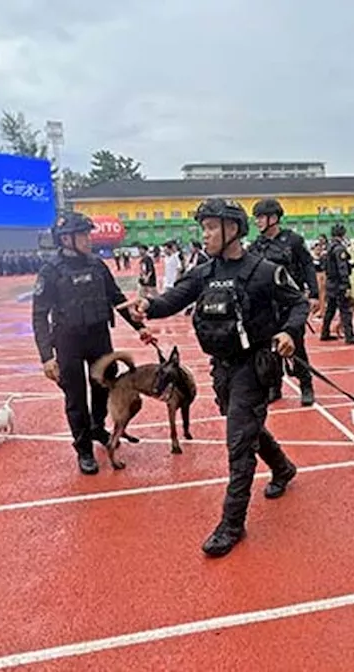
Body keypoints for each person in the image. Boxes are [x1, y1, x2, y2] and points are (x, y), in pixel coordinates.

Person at [122, 198, 310, 557]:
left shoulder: (264, 271)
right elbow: (173, 299)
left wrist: (288, 332)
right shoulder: (204, 271)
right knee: (247, 426)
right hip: (222, 368)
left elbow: (298, 303)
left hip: (255, 365)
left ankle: (231, 524)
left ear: (233, 229)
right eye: (203, 228)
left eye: (211, 228)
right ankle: (283, 468)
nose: (205, 234)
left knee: (239, 443)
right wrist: (148, 305)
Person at [33, 211, 154, 475]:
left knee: (104, 386)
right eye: (83, 234)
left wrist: (140, 328)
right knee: (75, 396)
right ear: (65, 239)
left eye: (88, 233)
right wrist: (46, 356)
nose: (89, 239)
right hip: (68, 341)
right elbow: (39, 315)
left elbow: (117, 298)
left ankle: (97, 426)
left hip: (99, 337)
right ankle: (83, 448)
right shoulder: (51, 271)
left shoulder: (98, 265)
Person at [247, 197, 318, 405]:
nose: (258, 222)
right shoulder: (256, 246)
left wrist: (313, 293)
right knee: (271, 349)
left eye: (261, 217)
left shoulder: (293, 241)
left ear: (274, 218)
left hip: (290, 303)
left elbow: (307, 266)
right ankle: (274, 386)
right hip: (267, 306)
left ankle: (306, 385)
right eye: (256, 218)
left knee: (297, 346)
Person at [320, 223, 354, 343]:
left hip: (330, 283)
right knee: (346, 310)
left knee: (330, 310)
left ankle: (324, 332)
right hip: (339, 284)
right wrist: (346, 285)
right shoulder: (339, 249)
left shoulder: (328, 247)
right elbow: (342, 268)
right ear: (343, 234)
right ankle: (349, 336)